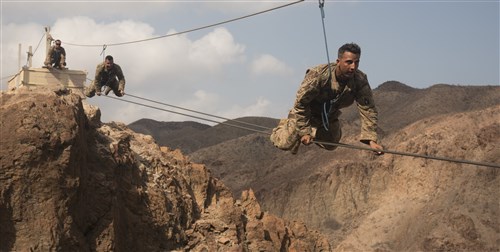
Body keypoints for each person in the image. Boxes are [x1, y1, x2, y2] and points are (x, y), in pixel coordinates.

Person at [270, 42, 384, 155]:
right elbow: (301, 104)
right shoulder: (318, 75)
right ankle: (284, 127)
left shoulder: (360, 80)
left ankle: (313, 132)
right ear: (338, 62)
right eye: (349, 62)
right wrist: (304, 131)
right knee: (285, 144)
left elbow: (368, 109)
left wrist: (371, 140)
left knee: (331, 144)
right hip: (306, 113)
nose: (353, 67)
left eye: (356, 62)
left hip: (328, 117)